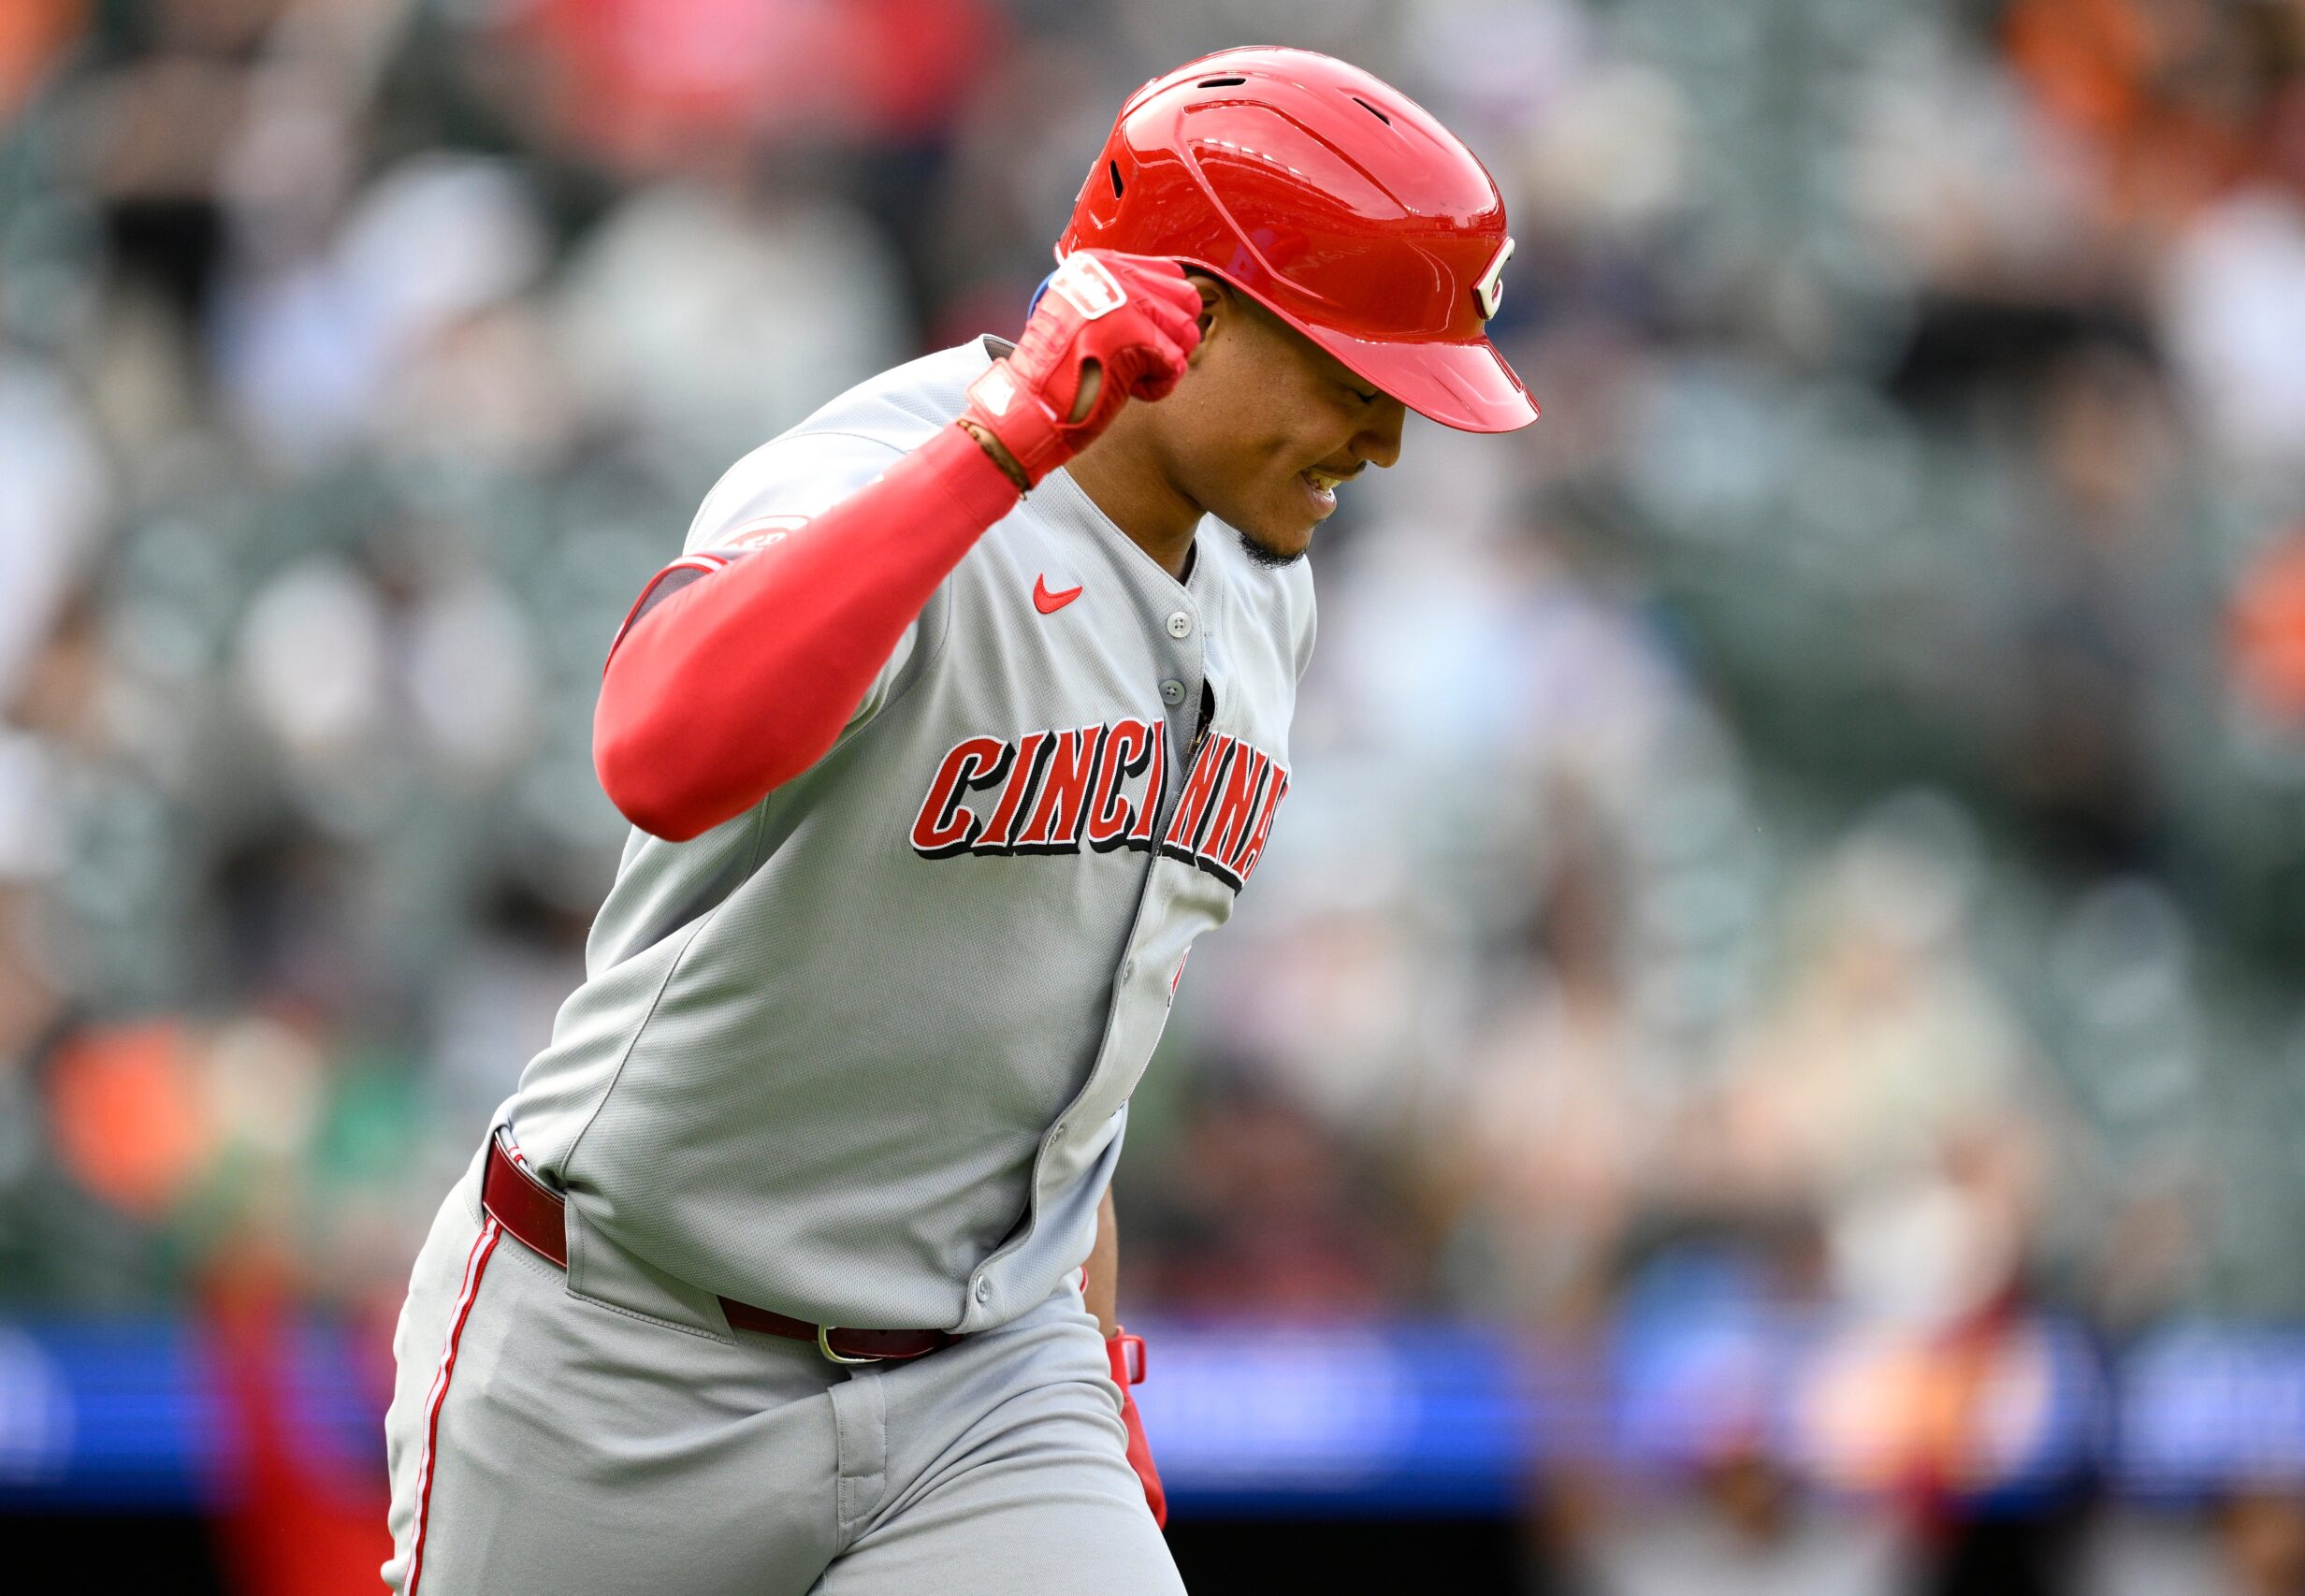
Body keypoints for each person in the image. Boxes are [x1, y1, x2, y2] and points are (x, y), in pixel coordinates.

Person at [380, 45, 1535, 1596]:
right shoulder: (877, 473)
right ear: (1186, 309)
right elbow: (655, 747)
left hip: (983, 1388)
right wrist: (991, 452)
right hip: (628, 1351)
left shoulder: (1269, 588)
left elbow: (1067, 1056)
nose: (1384, 443)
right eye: (1353, 381)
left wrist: (1092, 1370)